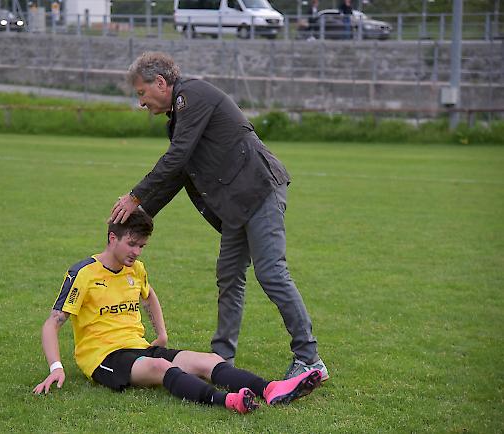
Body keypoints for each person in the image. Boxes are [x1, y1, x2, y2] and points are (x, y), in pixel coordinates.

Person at [109, 52, 328, 381]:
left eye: (141, 93)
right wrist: (140, 216)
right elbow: (180, 173)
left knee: (271, 273)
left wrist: (136, 194)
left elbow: (178, 155)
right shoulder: (180, 116)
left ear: (160, 83)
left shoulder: (191, 96)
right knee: (229, 277)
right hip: (236, 206)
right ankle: (221, 358)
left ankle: (309, 358)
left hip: (258, 190)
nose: (141, 102)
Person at [32, 210, 323, 413]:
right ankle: (226, 401)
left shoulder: (136, 270)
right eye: (132, 244)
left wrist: (161, 332)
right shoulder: (83, 273)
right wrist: (56, 368)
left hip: (139, 347)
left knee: (209, 360)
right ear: (112, 238)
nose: (137, 252)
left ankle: (271, 389)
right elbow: (52, 323)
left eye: (142, 246)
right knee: (163, 368)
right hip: (104, 358)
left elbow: (149, 296)